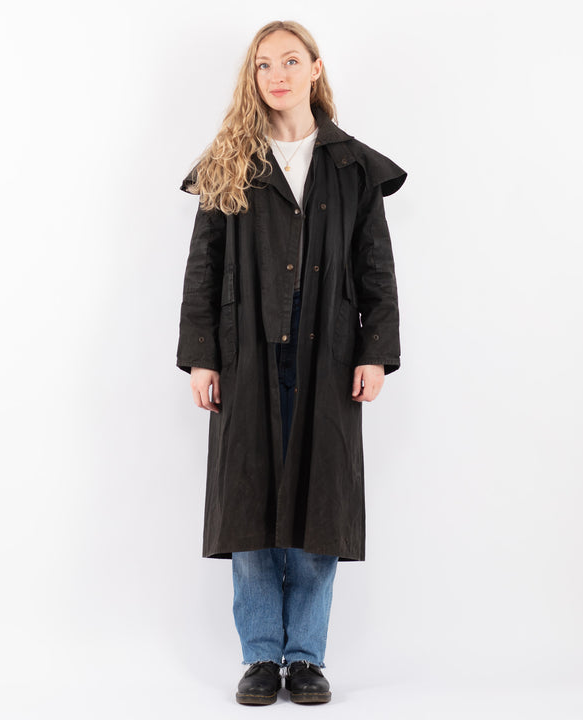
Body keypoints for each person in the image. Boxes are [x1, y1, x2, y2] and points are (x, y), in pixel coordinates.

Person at [176, 20, 407, 705]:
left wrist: (375, 352)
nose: (275, 74)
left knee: (319, 503)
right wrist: (201, 358)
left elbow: (375, 266)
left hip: (327, 355)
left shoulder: (352, 166)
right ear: (253, 77)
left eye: (289, 60)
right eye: (263, 64)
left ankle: (305, 657)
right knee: (249, 503)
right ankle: (259, 657)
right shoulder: (232, 160)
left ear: (314, 68)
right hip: (245, 353)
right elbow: (203, 266)